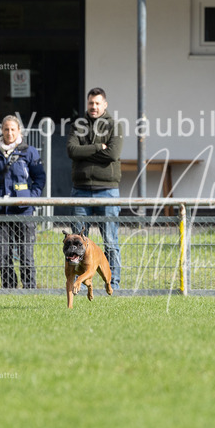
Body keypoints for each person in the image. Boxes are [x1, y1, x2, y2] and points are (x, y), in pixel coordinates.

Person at [0, 115, 46, 289]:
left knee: (26, 253)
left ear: (19, 131)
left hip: (23, 210)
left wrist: (32, 197)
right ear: (2, 130)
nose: (9, 133)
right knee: (3, 254)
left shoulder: (28, 151)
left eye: (13, 129)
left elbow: (39, 177)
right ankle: (9, 288)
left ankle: (29, 288)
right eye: (6, 129)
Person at [68, 87, 122, 291]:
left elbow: (113, 155)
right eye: (91, 103)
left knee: (110, 240)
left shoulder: (114, 126)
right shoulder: (77, 126)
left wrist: (85, 153)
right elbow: (72, 150)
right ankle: (78, 283)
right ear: (87, 103)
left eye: (98, 103)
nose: (94, 106)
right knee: (77, 243)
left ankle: (113, 284)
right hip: (80, 190)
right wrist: (99, 147)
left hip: (107, 190)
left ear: (105, 105)